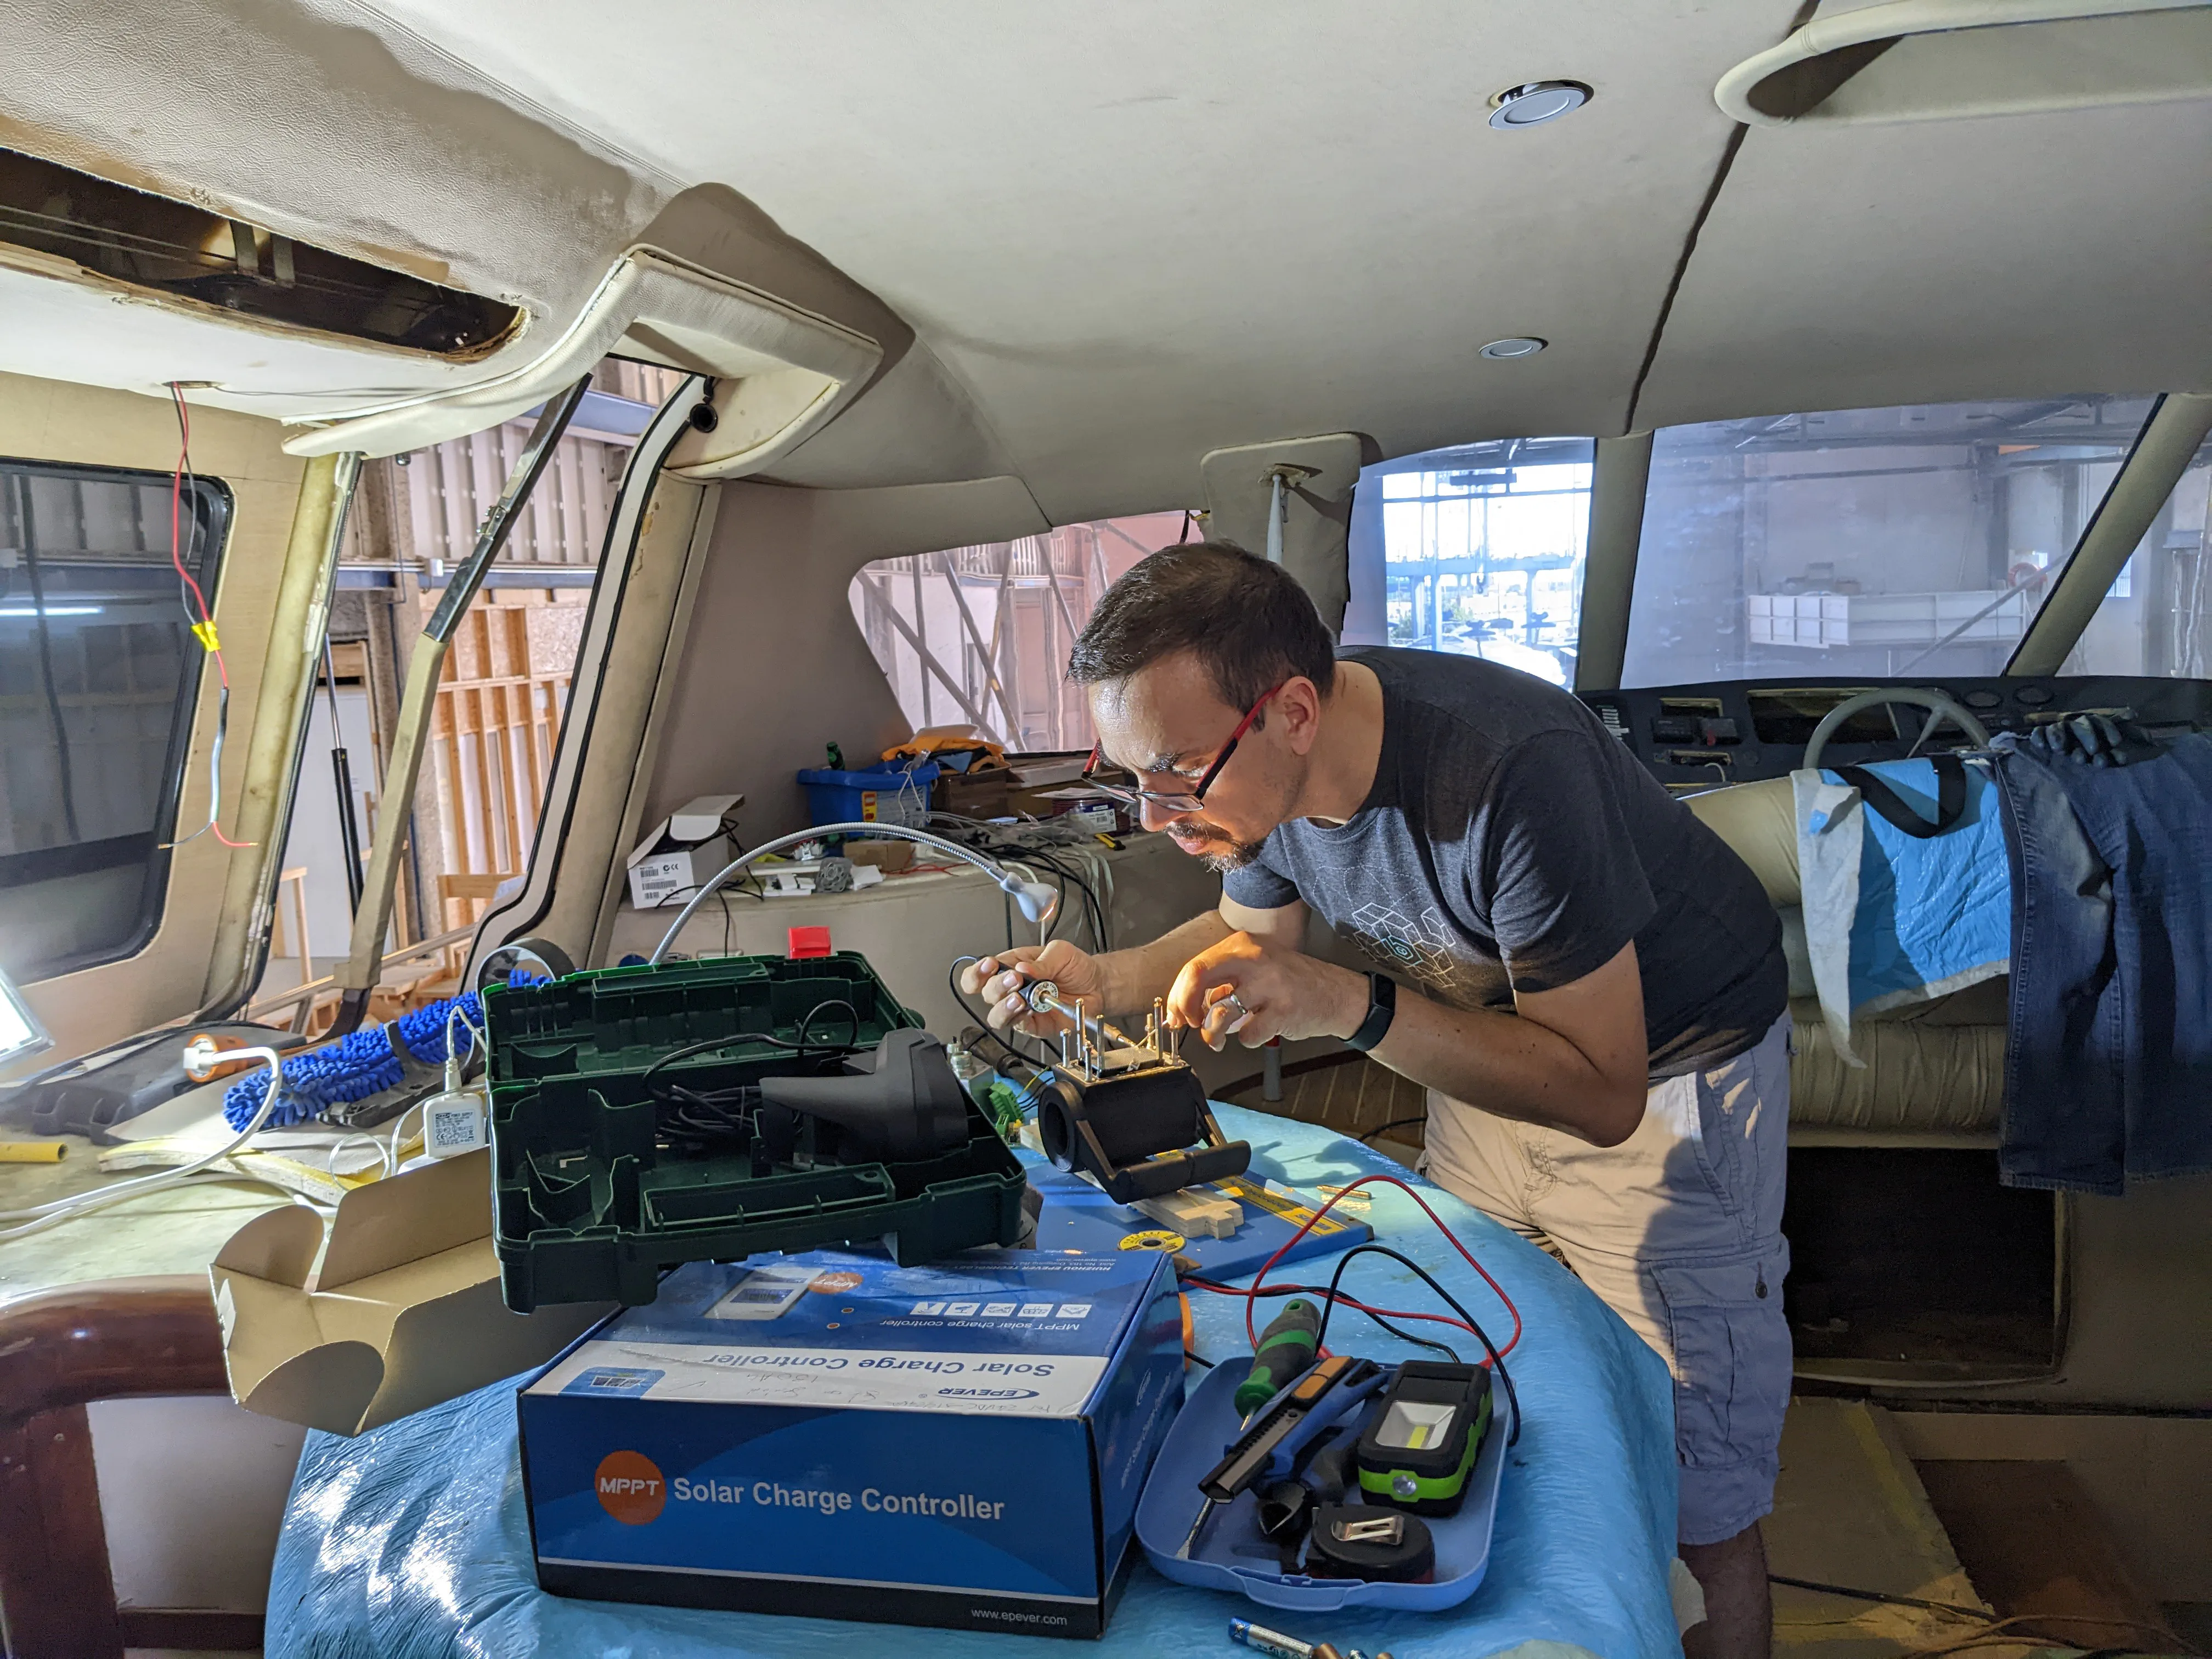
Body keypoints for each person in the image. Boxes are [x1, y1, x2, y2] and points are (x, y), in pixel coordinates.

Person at [960, 542, 1790, 1657]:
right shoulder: (1267, 780)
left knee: (1700, 1479)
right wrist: (1106, 980)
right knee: (1475, 1377)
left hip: (1666, 1085)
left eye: (1176, 774)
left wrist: (1344, 1000)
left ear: (1293, 711)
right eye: (1131, 779)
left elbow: (1599, 1095)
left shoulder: (1506, 772)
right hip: (1488, 1051)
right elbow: (1254, 932)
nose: (1155, 813)